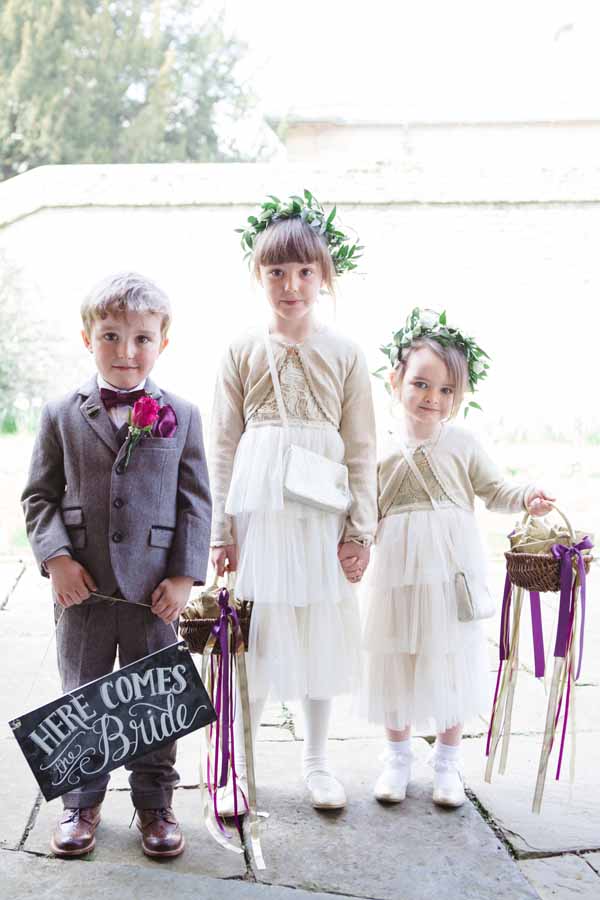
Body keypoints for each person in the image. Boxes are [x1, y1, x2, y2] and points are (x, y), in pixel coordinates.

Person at [21, 272, 212, 858]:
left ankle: (155, 803)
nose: (126, 352)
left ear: (162, 343)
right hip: (83, 589)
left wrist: (183, 575)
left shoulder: (180, 414)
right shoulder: (60, 413)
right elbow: (39, 497)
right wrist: (56, 560)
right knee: (83, 691)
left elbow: (195, 500)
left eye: (141, 339)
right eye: (110, 336)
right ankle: (82, 802)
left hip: (156, 590)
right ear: (87, 339)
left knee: (155, 700)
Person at [210, 191, 377, 811]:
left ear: (325, 276)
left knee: (315, 623)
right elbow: (223, 442)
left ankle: (317, 761)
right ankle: (238, 763)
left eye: (305, 271)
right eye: (277, 272)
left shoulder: (346, 354)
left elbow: (361, 446)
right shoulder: (241, 351)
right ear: (259, 276)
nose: (291, 285)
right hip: (259, 507)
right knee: (254, 625)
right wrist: (220, 531)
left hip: (319, 509)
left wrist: (359, 530)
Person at [362, 308, 554, 808]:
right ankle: (397, 757)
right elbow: (363, 508)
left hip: (451, 570)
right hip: (398, 573)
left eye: (446, 390)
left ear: (459, 395)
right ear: (395, 379)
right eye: (422, 384)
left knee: (452, 657)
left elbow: (496, 488)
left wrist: (528, 494)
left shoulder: (462, 443)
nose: (433, 398)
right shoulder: (379, 450)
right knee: (396, 655)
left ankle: (447, 762)